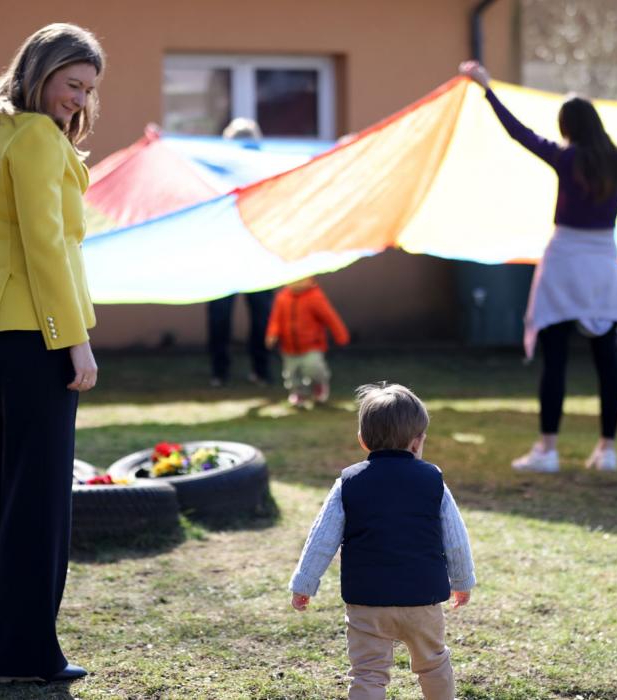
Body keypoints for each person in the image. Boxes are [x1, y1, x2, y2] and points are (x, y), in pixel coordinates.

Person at [0, 23, 104, 682]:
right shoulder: (40, 139)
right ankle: (26, 656)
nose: (78, 101)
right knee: (38, 500)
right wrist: (74, 339)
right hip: (33, 334)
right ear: (40, 70)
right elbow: (46, 246)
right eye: (72, 84)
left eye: (87, 90)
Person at [459, 60, 617, 473]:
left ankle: (547, 450)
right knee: (608, 359)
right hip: (604, 265)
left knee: (554, 359)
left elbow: (520, 133)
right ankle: (606, 450)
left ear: (568, 126)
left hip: (563, 262)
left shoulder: (565, 158)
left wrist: (486, 89)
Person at [289, 382, 475, 699]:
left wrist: (304, 583)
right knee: (433, 664)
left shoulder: (348, 483)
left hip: (367, 601)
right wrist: (462, 580)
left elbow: (321, 538)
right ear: (417, 443)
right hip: (423, 598)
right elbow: (455, 539)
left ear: (362, 440)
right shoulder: (433, 481)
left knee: (368, 674)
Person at [207, 117, 274, 387]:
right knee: (220, 316)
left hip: (256, 253)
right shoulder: (216, 171)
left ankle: (261, 370)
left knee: (262, 317)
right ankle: (220, 372)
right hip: (223, 255)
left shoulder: (265, 171)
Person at [265, 276, 349, 406]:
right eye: (294, 280)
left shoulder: (315, 297)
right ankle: (298, 393)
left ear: (311, 280)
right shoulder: (282, 298)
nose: (297, 284)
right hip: (289, 347)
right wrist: (272, 334)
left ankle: (319, 384)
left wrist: (341, 335)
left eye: (301, 280)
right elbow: (275, 319)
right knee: (292, 374)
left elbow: (330, 317)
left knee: (313, 367)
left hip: (311, 345)